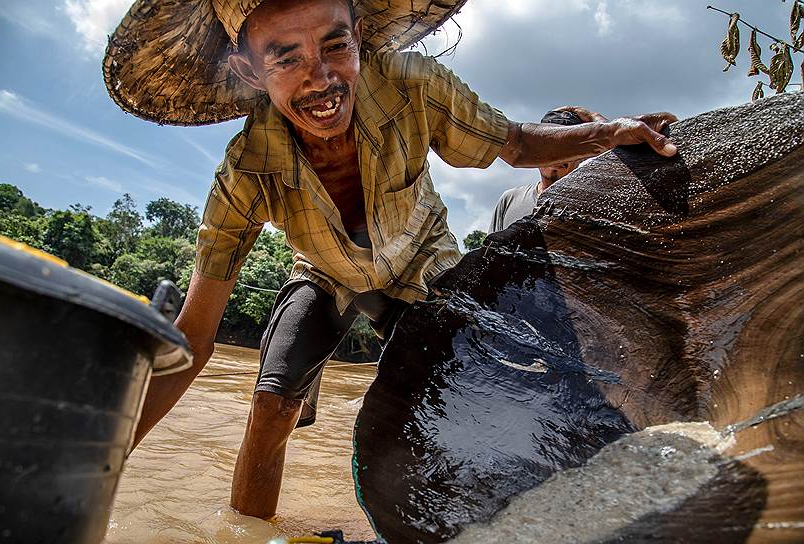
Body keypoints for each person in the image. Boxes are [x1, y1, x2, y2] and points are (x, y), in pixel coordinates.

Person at [103, 0, 678, 519]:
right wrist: (97, 457)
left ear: (358, 34)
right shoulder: (246, 171)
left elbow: (517, 144)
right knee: (271, 403)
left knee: (458, 403)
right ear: (250, 72)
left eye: (335, 45)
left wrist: (610, 134)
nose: (322, 79)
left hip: (422, 266)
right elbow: (195, 337)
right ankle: (249, 529)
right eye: (286, 59)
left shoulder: (413, 86)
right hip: (325, 275)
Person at [489, 108, 604, 233]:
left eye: (567, 147)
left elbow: (625, 149)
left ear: (583, 156)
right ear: (534, 152)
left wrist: (594, 118)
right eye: (548, 145)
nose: (556, 155)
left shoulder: (594, 207)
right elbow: (489, 251)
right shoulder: (510, 200)